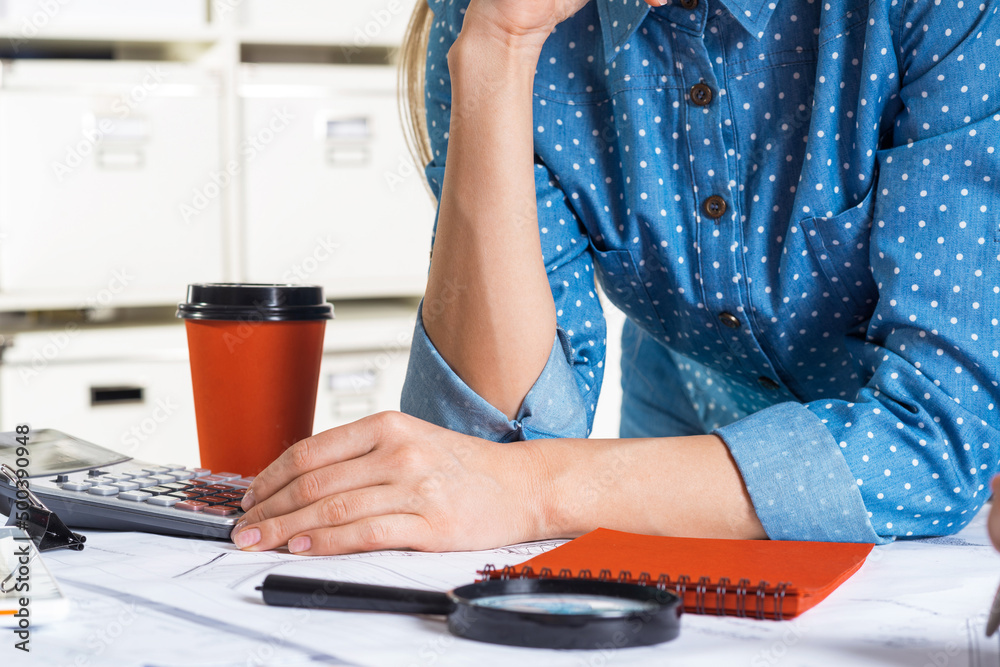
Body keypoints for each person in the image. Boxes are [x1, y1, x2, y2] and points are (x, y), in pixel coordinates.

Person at [229, 0, 1000, 556]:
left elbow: (937, 438)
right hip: (690, 455)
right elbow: (482, 452)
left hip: (955, 520)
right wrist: (499, 49)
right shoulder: (490, 19)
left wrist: (537, 489)